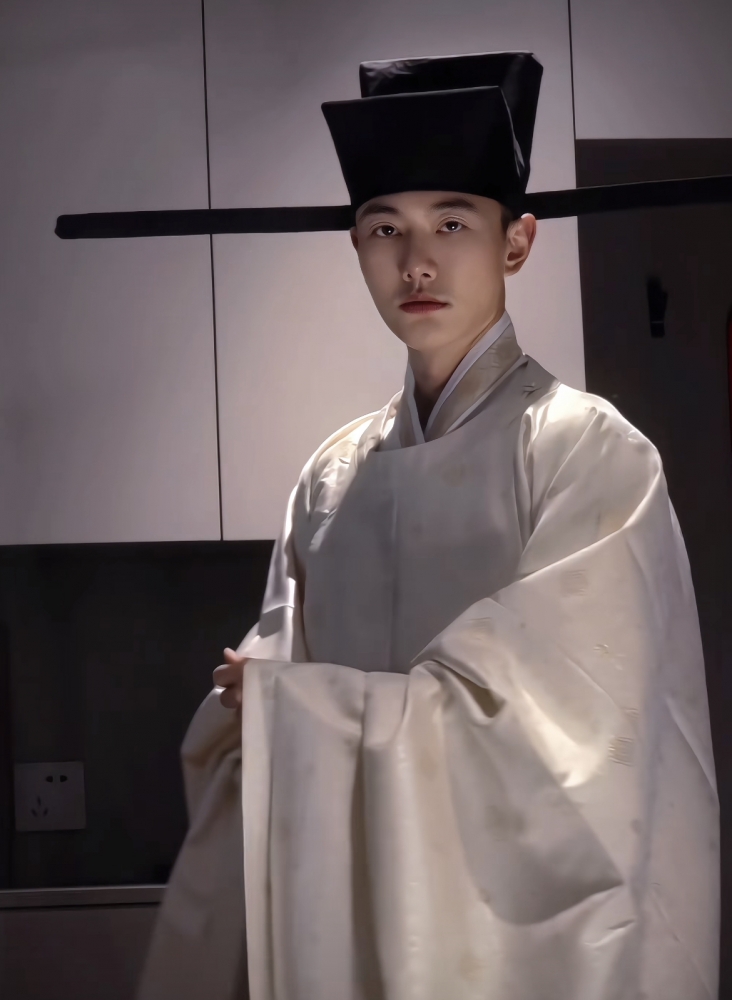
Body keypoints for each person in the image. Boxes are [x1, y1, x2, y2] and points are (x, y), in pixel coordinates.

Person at [138, 52, 719, 1000]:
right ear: (355, 245)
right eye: (385, 229)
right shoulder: (331, 479)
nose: (416, 262)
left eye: (453, 224)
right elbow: (258, 710)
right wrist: (262, 710)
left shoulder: (589, 454)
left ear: (517, 243)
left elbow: (574, 753)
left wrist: (298, 712)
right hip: (351, 924)